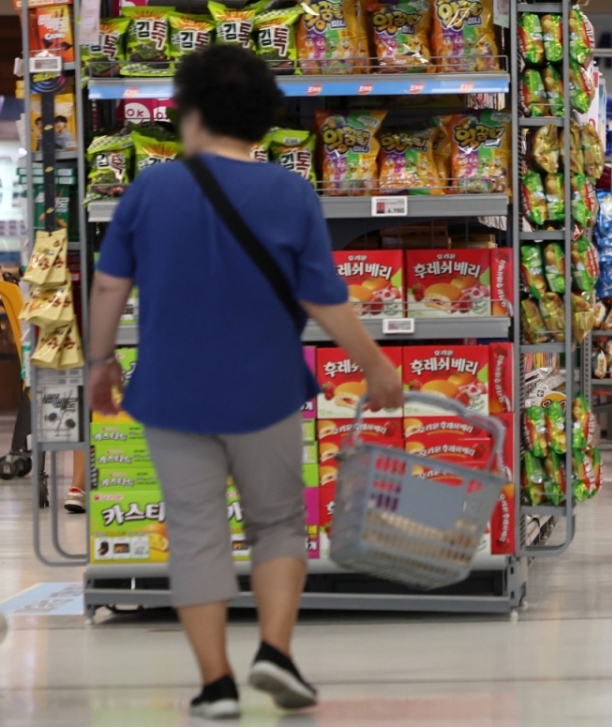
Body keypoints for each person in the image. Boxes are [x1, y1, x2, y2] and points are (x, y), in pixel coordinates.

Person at [86, 45, 406, 718]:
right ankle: (276, 652)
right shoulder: (289, 191)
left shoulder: (151, 188)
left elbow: (111, 282)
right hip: (265, 389)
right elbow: (323, 297)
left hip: (171, 390)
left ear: (188, 113)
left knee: (196, 529)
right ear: (262, 121)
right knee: (278, 522)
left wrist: (99, 361)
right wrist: (374, 363)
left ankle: (216, 684)